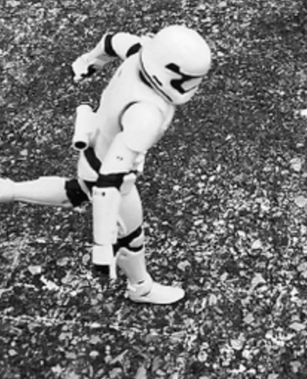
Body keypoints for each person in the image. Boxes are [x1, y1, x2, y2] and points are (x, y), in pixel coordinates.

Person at [0, 25, 212, 305]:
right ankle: (141, 287)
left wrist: (88, 62)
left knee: (75, 191)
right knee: (131, 237)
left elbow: (112, 41)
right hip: (107, 169)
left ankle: (8, 190)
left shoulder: (139, 53)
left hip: (94, 148)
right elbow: (109, 181)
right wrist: (102, 243)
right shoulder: (146, 113)